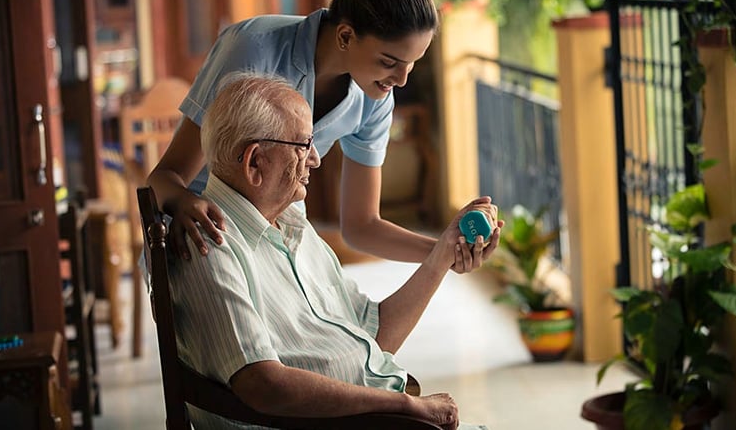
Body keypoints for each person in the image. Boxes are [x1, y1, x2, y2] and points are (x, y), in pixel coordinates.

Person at [170, 73, 498, 429]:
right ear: (254, 163)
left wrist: (443, 254)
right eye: (302, 144)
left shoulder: (291, 223)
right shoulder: (210, 244)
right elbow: (263, 386)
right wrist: (403, 406)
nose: (315, 159)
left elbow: (373, 335)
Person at [147, 0, 493, 269]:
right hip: (200, 236)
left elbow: (361, 227)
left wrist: (447, 249)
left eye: (411, 64)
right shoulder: (253, 48)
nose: (401, 80)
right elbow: (164, 179)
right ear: (345, 36)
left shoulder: (373, 98)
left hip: (278, 239)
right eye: (389, 62)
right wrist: (180, 202)